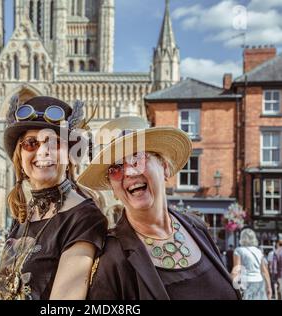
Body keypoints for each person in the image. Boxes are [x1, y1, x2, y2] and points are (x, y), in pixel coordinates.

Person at [78, 116, 241, 300]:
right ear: (113, 189)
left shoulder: (197, 227)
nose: (130, 172)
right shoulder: (111, 259)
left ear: (164, 167)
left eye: (137, 158)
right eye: (115, 168)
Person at [0, 96, 107, 300]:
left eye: (54, 142)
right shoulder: (25, 214)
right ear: (20, 154)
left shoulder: (85, 218)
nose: (43, 152)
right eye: (31, 143)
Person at [231, 228, 272, 300]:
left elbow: (237, 270)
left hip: (246, 282)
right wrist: (269, 287)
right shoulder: (258, 251)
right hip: (259, 282)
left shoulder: (238, 250)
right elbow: (264, 271)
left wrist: (231, 283)